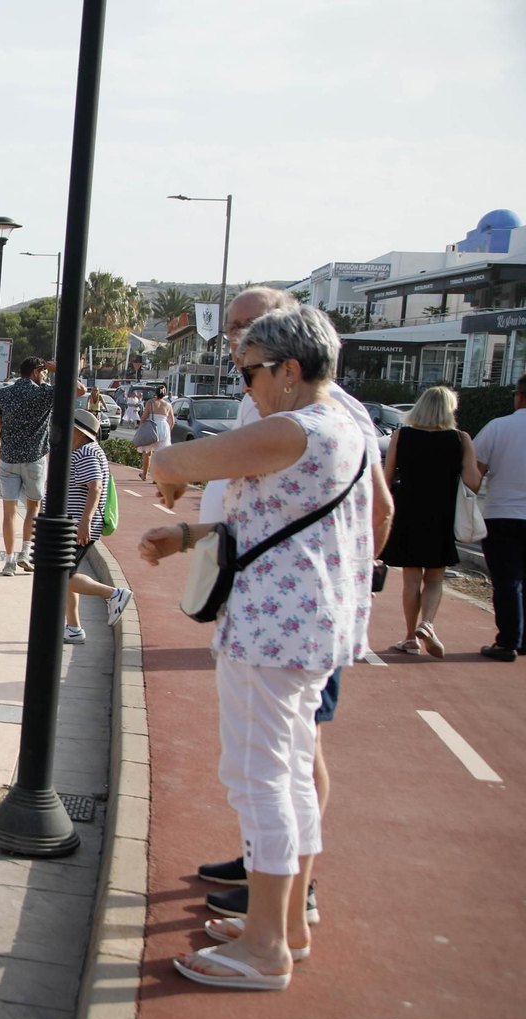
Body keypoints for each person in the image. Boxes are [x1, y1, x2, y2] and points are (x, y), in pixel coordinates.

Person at [138, 307, 377, 991]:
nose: (245, 387)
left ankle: (266, 945)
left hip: (273, 630)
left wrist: (169, 472)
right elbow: (271, 515)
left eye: (248, 374)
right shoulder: (345, 427)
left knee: (259, 777)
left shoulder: (297, 428)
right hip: (307, 625)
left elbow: (173, 459)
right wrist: (189, 531)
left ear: (289, 370)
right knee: (291, 773)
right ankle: (285, 923)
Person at [191, 286, 392, 929]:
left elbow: (379, 509)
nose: (237, 347)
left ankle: (281, 911)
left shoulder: (320, 415)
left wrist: (338, 582)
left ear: (289, 360)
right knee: (283, 767)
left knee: (280, 770)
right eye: (233, 331)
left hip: (283, 621)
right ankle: (273, 894)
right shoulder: (276, 404)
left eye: (250, 333)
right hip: (282, 612)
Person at [381, 386, 482, 657]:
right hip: (442, 513)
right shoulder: (460, 439)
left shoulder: (402, 436)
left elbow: (386, 479)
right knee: (435, 577)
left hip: (408, 511)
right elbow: (473, 481)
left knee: (411, 578)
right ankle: (427, 623)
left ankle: (409, 638)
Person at [60, 410, 132, 644]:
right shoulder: (87, 451)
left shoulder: (86, 452)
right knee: (66, 574)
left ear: (80, 432)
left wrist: (85, 521)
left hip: (77, 524)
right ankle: (73, 628)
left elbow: (96, 487)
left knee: (60, 576)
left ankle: (113, 594)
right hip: (74, 523)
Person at [0, 356, 58, 576]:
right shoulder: (45, 393)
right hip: (34, 459)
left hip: (8, 459)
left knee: (9, 512)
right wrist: (58, 369)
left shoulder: (2, 394)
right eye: (43, 372)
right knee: (33, 508)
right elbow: (79, 390)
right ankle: (25, 553)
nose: (45, 376)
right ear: (36, 372)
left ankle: (9, 561)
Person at [474, 372, 526, 661]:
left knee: (507, 581)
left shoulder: (497, 427)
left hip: (501, 514)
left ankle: (508, 642)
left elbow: (475, 474)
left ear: (519, 397)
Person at [133, 385, 174, 480]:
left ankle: (144, 474)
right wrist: (168, 431)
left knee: (148, 453)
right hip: (164, 427)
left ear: (155, 393)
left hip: (152, 427)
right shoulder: (168, 405)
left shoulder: (150, 403)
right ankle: (158, 477)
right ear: (165, 394)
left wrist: (141, 428)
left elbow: (144, 417)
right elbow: (172, 421)